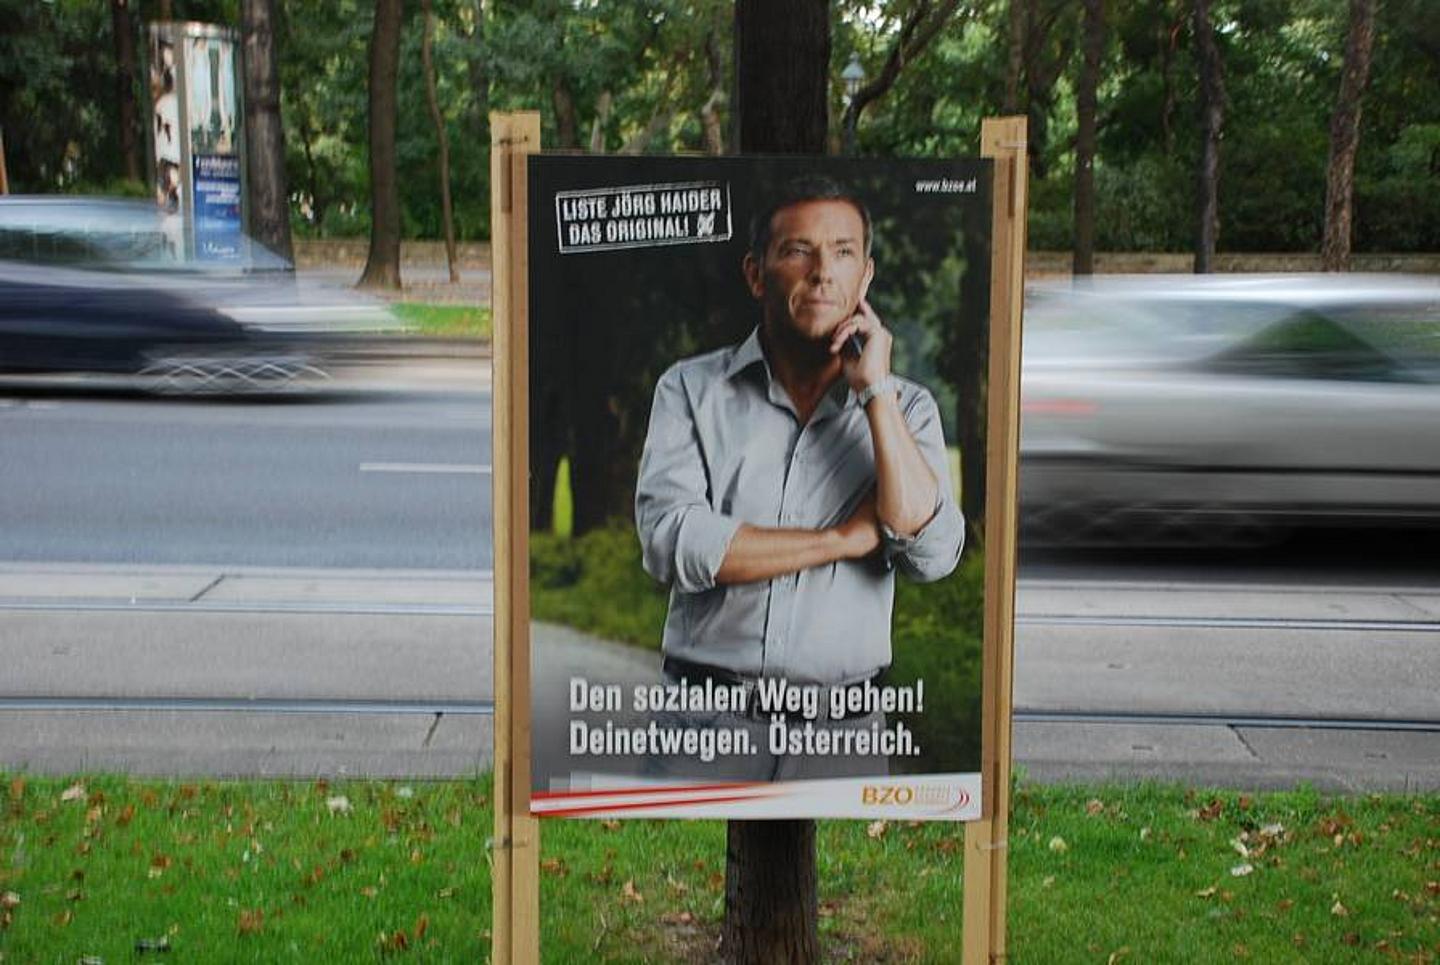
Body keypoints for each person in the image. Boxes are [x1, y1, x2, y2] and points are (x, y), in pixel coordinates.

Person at [633, 175, 964, 779]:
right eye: (797, 251)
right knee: (677, 874)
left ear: (865, 277)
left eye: (842, 253)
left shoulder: (908, 410)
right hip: (703, 728)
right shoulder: (689, 390)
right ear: (758, 275)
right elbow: (673, 543)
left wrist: (876, 394)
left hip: (844, 738)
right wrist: (844, 540)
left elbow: (934, 550)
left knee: (855, 880)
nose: (821, 273)